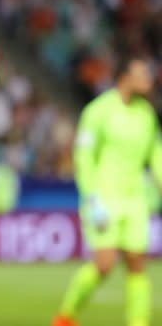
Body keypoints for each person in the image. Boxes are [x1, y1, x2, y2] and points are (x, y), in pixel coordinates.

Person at [53, 58, 162, 326]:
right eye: (142, 74)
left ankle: (139, 323)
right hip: (104, 197)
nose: (148, 80)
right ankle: (66, 317)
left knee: (137, 264)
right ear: (125, 77)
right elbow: (84, 155)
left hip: (136, 198)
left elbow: (156, 155)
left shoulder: (145, 114)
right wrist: (91, 196)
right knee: (105, 264)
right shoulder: (99, 111)